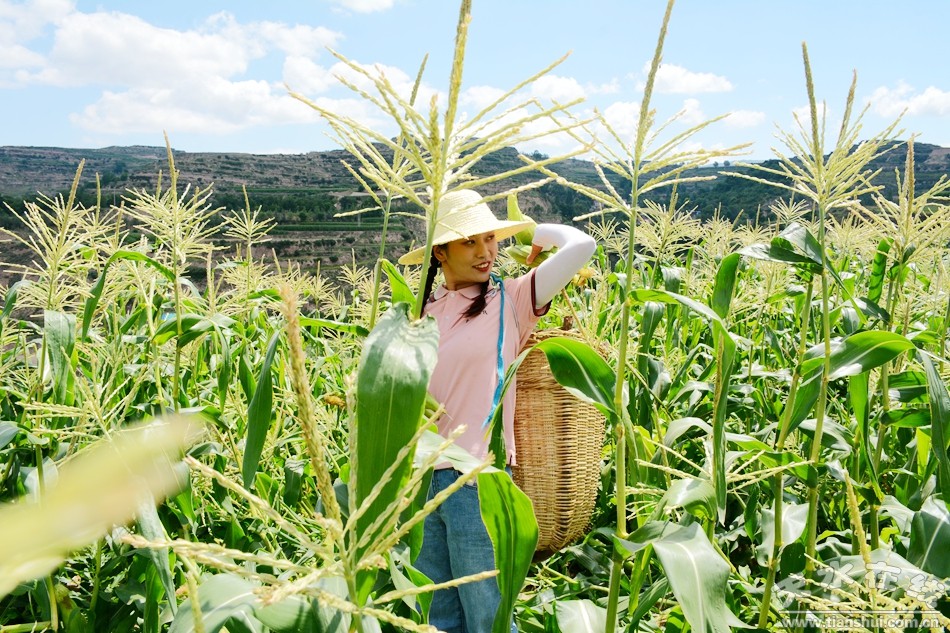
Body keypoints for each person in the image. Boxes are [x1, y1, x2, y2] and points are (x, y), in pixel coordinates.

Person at [398, 188, 596, 633]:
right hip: (420, 478)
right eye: (470, 241)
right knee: (435, 615)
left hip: (475, 479)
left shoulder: (514, 299)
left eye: (491, 238)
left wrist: (530, 231)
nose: (486, 252)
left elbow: (583, 245)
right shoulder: (418, 315)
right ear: (440, 252)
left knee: (488, 613)